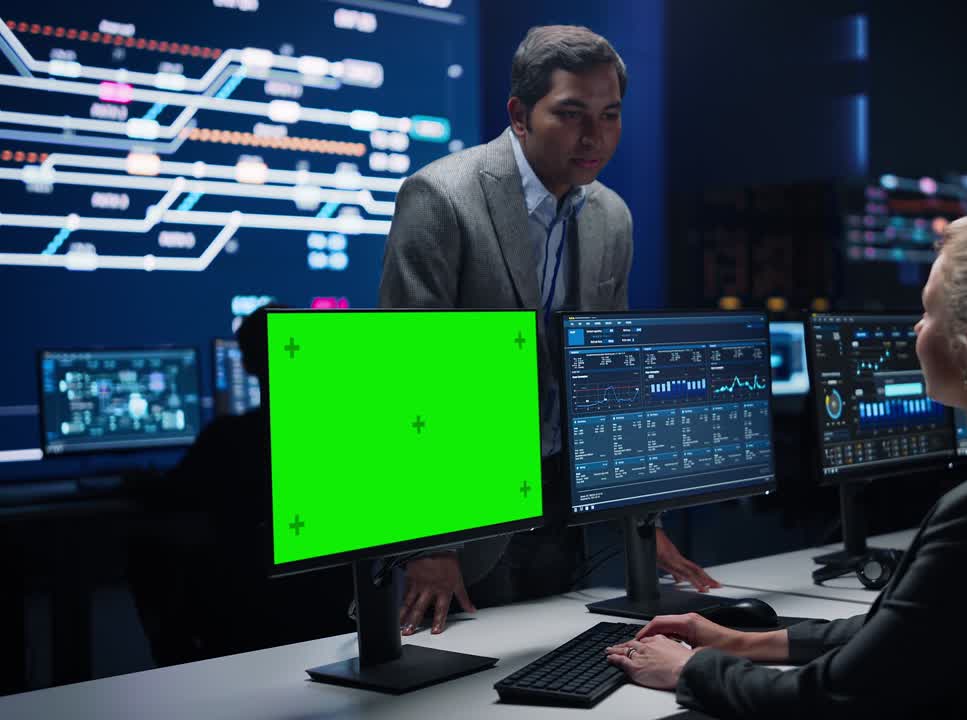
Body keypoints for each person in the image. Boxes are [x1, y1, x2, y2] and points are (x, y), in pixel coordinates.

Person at [605, 214, 967, 716]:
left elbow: (832, 698)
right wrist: (733, 639)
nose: (915, 330)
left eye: (927, 312)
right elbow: (902, 635)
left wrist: (689, 670)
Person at [378, 25, 717, 636]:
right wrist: (429, 543)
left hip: (569, 498)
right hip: (469, 511)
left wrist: (642, 517)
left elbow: (613, 376)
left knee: (566, 658)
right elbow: (408, 379)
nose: (595, 137)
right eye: (571, 114)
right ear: (519, 114)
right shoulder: (441, 197)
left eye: (610, 115)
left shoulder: (611, 215)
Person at [129, 304, 351, 665]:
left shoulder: (225, 439)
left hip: (241, 623)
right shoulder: (341, 439)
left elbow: (170, 496)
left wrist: (140, 484)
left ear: (247, 364)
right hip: (332, 616)